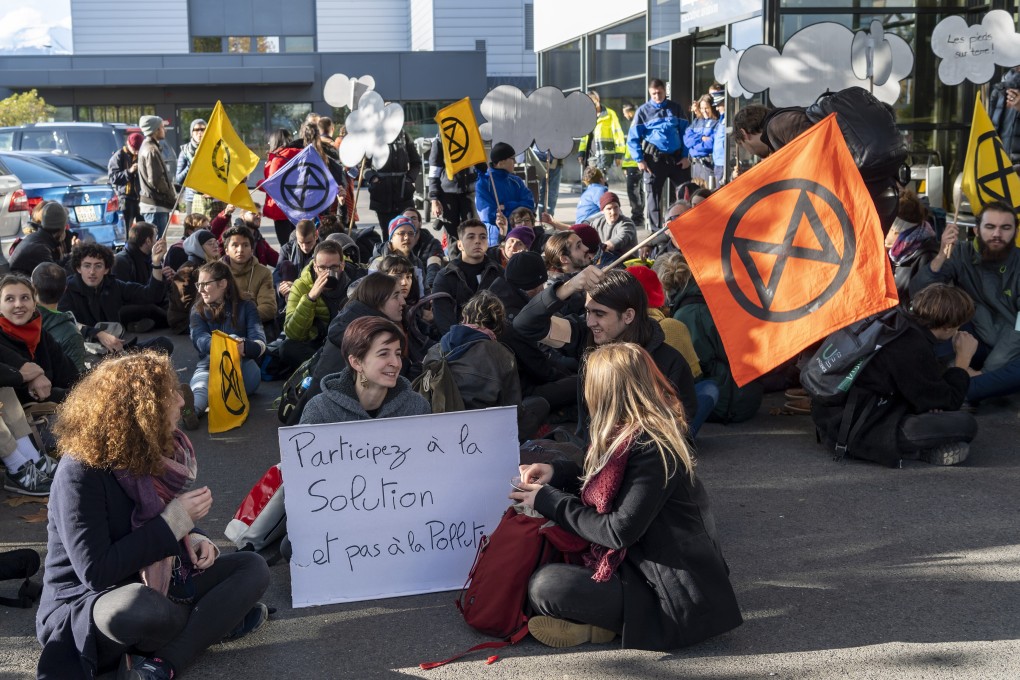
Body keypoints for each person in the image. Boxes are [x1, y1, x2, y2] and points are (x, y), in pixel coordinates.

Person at [36, 351, 270, 679]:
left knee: (252, 567)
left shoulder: (149, 449)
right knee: (138, 606)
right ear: (141, 411)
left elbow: (155, 518)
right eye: (168, 394)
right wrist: (176, 521)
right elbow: (96, 572)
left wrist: (196, 534)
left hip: (159, 583)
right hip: (90, 602)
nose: (179, 400)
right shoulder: (80, 471)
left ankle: (163, 664)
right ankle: (211, 623)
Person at [510, 342, 741, 650]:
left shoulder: (655, 448)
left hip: (669, 592)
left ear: (607, 391)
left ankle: (608, 625)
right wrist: (557, 472)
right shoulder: (631, 436)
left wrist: (548, 501)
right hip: (639, 567)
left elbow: (618, 531)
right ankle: (598, 624)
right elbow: (604, 477)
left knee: (546, 585)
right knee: (540, 576)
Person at [513, 267, 698, 439]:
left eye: (600, 314)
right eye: (588, 312)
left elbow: (678, 430)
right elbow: (525, 325)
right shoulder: (587, 338)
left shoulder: (670, 363)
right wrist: (567, 287)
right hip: (592, 458)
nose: (590, 322)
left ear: (628, 316)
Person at [812, 283, 978, 466]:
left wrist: (931, 402)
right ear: (948, 327)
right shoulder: (911, 345)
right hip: (857, 429)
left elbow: (929, 390)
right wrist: (963, 360)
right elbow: (949, 401)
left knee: (933, 412)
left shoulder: (895, 319)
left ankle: (925, 447)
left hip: (829, 416)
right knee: (965, 424)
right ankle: (921, 451)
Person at [909, 201, 1020, 372]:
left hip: (1012, 345)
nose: (997, 234)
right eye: (990, 227)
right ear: (976, 230)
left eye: (1005, 228)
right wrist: (941, 255)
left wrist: (985, 373)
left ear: (1015, 232)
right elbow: (919, 294)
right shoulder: (961, 253)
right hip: (973, 332)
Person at [426, 290, 547, 440]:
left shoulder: (436, 349)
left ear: (464, 317)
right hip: (483, 435)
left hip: (439, 429)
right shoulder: (501, 354)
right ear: (498, 323)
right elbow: (512, 410)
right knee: (539, 404)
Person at [663, 252, 763, 424]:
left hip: (729, 402)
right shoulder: (712, 294)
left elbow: (696, 368)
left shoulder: (689, 313)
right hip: (747, 394)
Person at [627, 263, 716, 437]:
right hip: (665, 423)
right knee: (711, 387)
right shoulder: (672, 326)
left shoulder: (616, 327)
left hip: (629, 422)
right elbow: (693, 377)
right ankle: (679, 440)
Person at [299, 272, 409, 411]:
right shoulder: (369, 335)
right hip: (337, 418)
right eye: (395, 296)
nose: (403, 302)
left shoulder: (353, 320)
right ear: (377, 299)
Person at [300, 316, 429, 425]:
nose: (396, 363)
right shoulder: (320, 410)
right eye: (383, 354)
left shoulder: (417, 407)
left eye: (398, 354)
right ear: (356, 362)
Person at [186, 261, 267, 430]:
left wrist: (244, 346)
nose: (200, 290)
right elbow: (199, 339)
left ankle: (198, 404)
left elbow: (260, 342)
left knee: (234, 339)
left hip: (243, 368)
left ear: (222, 284)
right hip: (210, 365)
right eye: (198, 284)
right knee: (201, 386)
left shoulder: (247, 306)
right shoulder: (197, 309)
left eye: (205, 284)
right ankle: (191, 411)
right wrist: (225, 343)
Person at [59, 243, 174, 356]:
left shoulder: (113, 285)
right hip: (83, 355)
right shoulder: (67, 289)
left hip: (115, 351)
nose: (92, 272)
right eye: (87, 265)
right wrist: (97, 334)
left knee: (163, 343)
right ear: (78, 268)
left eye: (98, 266)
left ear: (106, 269)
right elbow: (64, 323)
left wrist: (156, 263)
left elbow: (151, 295)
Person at [0, 274, 79, 406]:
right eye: (9, 299)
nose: (18, 304)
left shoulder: (42, 335)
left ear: (34, 303)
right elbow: (24, 395)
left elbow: (70, 375)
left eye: (25, 298)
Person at [626, 79, 691, 232]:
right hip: (654, 160)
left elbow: (685, 133)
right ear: (650, 93)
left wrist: (686, 156)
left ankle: (685, 226)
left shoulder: (675, 108)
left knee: (684, 193)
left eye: (659, 92)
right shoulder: (643, 111)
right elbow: (633, 138)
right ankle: (656, 232)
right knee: (653, 197)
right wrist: (639, 160)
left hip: (677, 159)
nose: (657, 96)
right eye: (654, 93)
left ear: (664, 91)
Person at [280, 240, 351, 367]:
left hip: (346, 344)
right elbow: (292, 333)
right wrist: (310, 298)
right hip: (317, 344)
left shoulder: (353, 284)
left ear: (342, 265)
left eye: (333, 267)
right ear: (314, 266)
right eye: (322, 268)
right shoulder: (301, 286)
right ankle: (326, 368)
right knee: (287, 348)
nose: (328, 272)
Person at [431, 219, 503, 335]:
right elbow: (443, 318)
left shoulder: (498, 272)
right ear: (460, 245)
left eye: (483, 237)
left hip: (494, 339)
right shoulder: (446, 275)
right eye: (471, 237)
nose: (478, 241)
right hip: (458, 341)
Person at [475, 143, 535, 246]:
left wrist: (507, 206)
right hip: (496, 238)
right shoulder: (484, 183)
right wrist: (517, 210)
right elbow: (488, 214)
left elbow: (529, 205)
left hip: (520, 237)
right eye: (512, 158)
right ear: (501, 162)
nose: (515, 162)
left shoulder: (516, 181)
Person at [885, 190, 938, 305]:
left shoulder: (926, 256)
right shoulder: (894, 253)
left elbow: (922, 303)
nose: (883, 232)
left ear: (896, 230)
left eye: (886, 228)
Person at [32, 262, 87, 374]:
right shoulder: (72, 334)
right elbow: (76, 377)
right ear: (65, 289)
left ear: (33, 288)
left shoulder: (19, 317)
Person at [364, 129, 420, 236]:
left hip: (403, 193)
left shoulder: (404, 135)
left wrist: (409, 179)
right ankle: (388, 252)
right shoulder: (372, 136)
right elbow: (364, 166)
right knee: (387, 232)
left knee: (407, 231)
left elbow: (416, 162)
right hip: (382, 194)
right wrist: (373, 178)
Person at [166, 230, 221, 334]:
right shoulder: (187, 270)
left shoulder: (212, 266)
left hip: (204, 313)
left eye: (216, 242)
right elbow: (184, 304)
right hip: (183, 321)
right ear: (198, 247)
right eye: (210, 243)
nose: (215, 246)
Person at [220, 224, 277, 326]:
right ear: (226, 250)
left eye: (245, 245)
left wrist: (240, 318)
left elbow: (269, 308)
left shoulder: (263, 272)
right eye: (235, 245)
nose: (240, 250)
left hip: (252, 327)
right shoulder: (215, 272)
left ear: (252, 250)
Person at [261, 128, 303, 245]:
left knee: (286, 245)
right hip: (296, 204)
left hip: (281, 207)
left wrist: (260, 183)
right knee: (297, 242)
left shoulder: (278, 159)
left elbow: (272, 184)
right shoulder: (297, 154)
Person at [137, 115, 176, 238]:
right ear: (155, 130)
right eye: (162, 127)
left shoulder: (149, 147)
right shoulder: (151, 150)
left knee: (155, 245)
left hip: (154, 205)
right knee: (157, 246)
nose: (165, 130)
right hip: (155, 206)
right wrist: (170, 193)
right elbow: (156, 180)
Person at [577, 90, 626, 186]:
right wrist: (581, 152)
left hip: (604, 156)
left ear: (597, 100)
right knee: (590, 183)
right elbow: (584, 137)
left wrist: (619, 154)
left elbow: (618, 134)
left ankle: (603, 200)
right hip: (591, 157)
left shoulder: (609, 114)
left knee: (601, 182)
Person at [10, 202, 66, 276]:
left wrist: (71, 256)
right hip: (22, 285)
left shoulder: (38, 238)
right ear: (61, 230)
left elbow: (55, 265)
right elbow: (55, 277)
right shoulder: (40, 248)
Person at [683, 95, 721, 187]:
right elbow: (687, 140)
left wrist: (694, 146)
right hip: (695, 165)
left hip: (708, 165)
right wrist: (701, 138)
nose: (704, 111)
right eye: (702, 108)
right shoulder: (696, 121)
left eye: (707, 108)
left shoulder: (717, 123)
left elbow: (711, 144)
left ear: (712, 107)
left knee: (709, 193)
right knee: (696, 194)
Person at [108, 132, 143, 229]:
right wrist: (129, 171)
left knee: (144, 229)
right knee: (127, 230)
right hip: (126, 199)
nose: (136, 152)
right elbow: (113, 178)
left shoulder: (142, 155)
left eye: (138, 150)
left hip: (141, 198)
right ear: (128, 144)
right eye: (134, 149)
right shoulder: (118, 156)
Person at [620, 103, 645, 227]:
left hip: (634, 164)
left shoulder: (636, 123)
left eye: (625, 113)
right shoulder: (638, 122)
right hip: (635, 163)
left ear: (629, 112)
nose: (624, 116)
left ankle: (637, 217)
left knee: (633, 191)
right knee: (639, 191)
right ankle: (639, 216)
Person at [174, 119, 206, 216]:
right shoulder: (185, 151)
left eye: (203, 129)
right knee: (193, 229)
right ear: (191, 132)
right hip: (192, 198)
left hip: (212, 198)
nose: (199, 132)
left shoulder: (214, 149)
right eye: (196, 130)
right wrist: (190, 166)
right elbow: (179, 179)